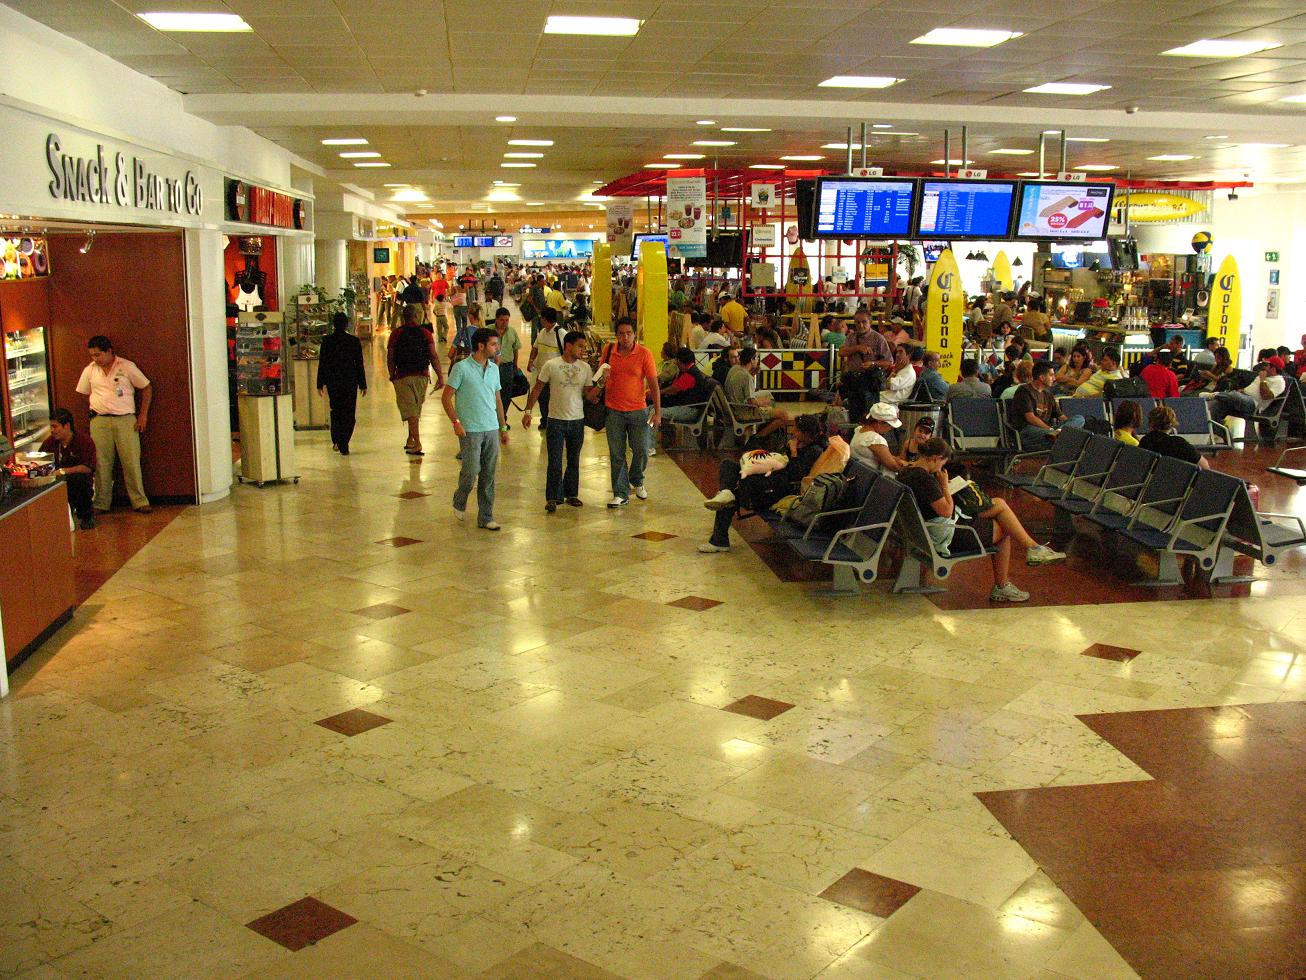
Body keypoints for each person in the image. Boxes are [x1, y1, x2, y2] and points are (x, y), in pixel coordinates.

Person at [898, 438, 1065, 602]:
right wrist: (944, 486)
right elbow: (946, 511)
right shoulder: (925, 480)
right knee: (1004, 528)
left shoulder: (908, 472)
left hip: (924, 531)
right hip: (946, 535)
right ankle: (1003, 584)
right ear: (935, 458)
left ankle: (1033, 548)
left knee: (999, 503)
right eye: (942, 463)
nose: (942, 468)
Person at [699, 413, 828, 553]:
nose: (793, 433)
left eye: (797, 430)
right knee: (728, 465)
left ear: (806, 433)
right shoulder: (800, 444)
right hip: (770, 480)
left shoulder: (814, 451)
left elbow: (796, 475)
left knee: (734, 494)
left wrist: (793, 452)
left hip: (778, 489)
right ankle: (726, 492)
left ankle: (719, 539)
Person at [75, 335, 152, 514]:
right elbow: (84, 392)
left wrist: (143, 415)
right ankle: (101, 502)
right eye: (92, 355)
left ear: (109, 351)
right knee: (101, 463)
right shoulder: (90, 370)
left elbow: (147, 387)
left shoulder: (126, 366)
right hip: (100, 420)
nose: (96, 359)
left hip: (125, 420)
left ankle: (139, 501)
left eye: (99, 355)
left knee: (131, 461)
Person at [442, 327, 509, 530]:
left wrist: (503, 426)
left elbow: (497, 399)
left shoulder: (494, 369)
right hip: (470, 429)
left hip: (491, 428)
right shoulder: (461, 368)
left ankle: (486, 516)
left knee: (489, 475)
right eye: (493, 344)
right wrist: (456, 423)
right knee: (471, 471)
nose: (497, 348)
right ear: (481, 346)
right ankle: (460, 499)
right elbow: (446, 398)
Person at [524, 331, 593, 512]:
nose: (582, 350)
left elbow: (589, 395)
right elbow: (537, 388)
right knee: (554, 460)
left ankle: (571, 494)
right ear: (568, 345)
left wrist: (601, 384)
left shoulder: (585, 368)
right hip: (555, 420)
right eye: (580, 346)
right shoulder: (551, 365)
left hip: (577, 420)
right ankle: (553, 497)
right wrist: (528, 411)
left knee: (573, 459)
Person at [599, 317, 661, 508]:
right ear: (617, 335)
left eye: (629, 333)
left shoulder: (644, 354)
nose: (625, 337)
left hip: (638, 410)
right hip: (613, 410)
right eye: (621, 333)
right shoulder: (609, 351)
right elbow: (599, 380)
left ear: (635, 334)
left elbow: (653, 384)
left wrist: (658, 412)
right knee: (617, 453)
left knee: (642, 449)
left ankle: (637, 479)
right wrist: (603, 377)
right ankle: (620, 492)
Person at [387, 306, 444, 457]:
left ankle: (417, 442)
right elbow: (433, 355)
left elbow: (390, 356)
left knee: (410, 409)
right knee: (415, 407)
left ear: (403, 318)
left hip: (402, 375)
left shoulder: (396, 333)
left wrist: (391, 374)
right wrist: (440, 375)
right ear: (417, 316)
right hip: (422, 375)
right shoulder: (425, 333)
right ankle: (411, 439)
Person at [316, 312, 367, 455]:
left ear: (333, 324)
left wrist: (320, 383)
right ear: (346, 325)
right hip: (350, 381)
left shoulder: (327, 341)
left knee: (336, 411)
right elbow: (359, 364)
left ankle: (337, 439)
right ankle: (343, 441)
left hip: (333, 382)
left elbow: (323, 363)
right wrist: (362, 383)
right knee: (349, 413)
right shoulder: (353, 341)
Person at [1009, 360, 1085, 451]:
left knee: (1079, 419)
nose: (1054, 378)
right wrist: (1051, 430)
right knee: (1066, 442)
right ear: (1041, 377)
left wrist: (1068, 427)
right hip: (1028, 431)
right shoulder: (1024, 391)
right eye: (1051, 375)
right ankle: (1060, 436)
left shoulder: (1048, 394)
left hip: (1048, 434)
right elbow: (1030, 418)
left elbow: (1061, 417)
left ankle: (1060, 435)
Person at [40, 408, 97, 529]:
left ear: (66, 426)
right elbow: (40, 462)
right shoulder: (49, 443)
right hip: (55, 482)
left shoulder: (84, 441)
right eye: (51, 427)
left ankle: (86, 516)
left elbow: (88, 467)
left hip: (78, 482)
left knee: (78, 479)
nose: (52, 430)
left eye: (55, 427)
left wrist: (64, 471)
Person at [841, 309, 896, 421]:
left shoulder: (878, 339)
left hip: (870, 382)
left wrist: (873, 364)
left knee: (869, 415)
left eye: (864, 322)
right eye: (857, 322)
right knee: (854, 415)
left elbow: (889, 362)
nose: (861, 325)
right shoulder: (851, 337)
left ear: (870, 322)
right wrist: (857, 348)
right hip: (853, 381)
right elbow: (841, 352)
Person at [724, 347, 790, 442]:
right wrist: (764, 402)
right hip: (744, 412)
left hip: (734, 406)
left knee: (767, 394)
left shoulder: (734, 368)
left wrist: (752, 373)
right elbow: (752, 402)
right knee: (784, 415)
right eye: (757, 358)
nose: (758, 361)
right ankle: (759, 437)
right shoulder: (746, 377)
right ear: (751, 360)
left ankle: (765, 422)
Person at [1208, 355, 1287, 424]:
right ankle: (1223, 433)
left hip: (1253, 404)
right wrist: (1243, 390)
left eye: (1267, 365)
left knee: (1234, 395)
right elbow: (1252, 388)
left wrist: (1263, 380)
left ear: (1273, 369)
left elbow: (1266, 396)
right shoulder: (1263, 375)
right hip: (1243, 396)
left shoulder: (1279, 382)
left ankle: (1215, 394)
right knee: (1215, 404)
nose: (1264, 367)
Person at [527, 307, 567, 433]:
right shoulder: (543, 332)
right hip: (541, 374)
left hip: (556, 376)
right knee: (542, 399)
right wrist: (530, 361)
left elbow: (567, 354)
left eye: (541, 318)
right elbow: (535, 347)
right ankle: (545, 420)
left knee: (554, 400)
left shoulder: (561, 334)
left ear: (545, 319)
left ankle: (554, 422)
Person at [1140, 404, 1209, 470]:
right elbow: (1205, 466)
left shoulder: (1144, 441)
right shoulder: (1180, 443)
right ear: (1171, 424)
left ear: (1150, 422)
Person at [659, 348, 713, 423]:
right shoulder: (693, 371)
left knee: (654, 411)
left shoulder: (690, 375)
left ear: (679, 361)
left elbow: (673, 389)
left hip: (689, 410)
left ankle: (648, 434)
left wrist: (657, 393)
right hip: (691, 408)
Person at [850, 402, 904, 474]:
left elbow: (885, 456)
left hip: (858, 474)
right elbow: (893, 467)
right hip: (869, 479)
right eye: (890, 425)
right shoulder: (875, 439)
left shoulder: (859, 430)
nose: (890, 428)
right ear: (879, 422)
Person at [492, 307, 523, 419]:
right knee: (491, 393)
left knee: (506, 393)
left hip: (507, 367)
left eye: (507, 320)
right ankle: (493, 417)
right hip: (491, 367)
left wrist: (515, 366)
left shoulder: (512, 332)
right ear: (496, 319)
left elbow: (515, 349)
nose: (504, 323)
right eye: (502, 320)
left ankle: (502, 417)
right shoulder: (488, 331)